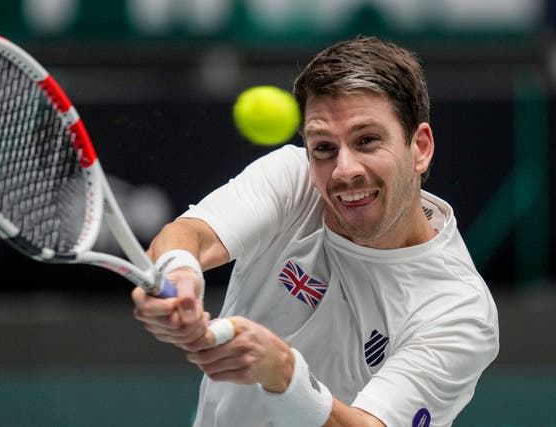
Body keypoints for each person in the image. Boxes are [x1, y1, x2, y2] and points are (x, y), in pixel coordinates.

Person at [132, 36, 499, 427]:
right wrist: (179, 273)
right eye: (324, 148)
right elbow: (190, 234)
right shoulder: (293, 179)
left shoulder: (458, 309)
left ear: (420, 147)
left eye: (367, 141)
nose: (345, 170)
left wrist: (285, 375)